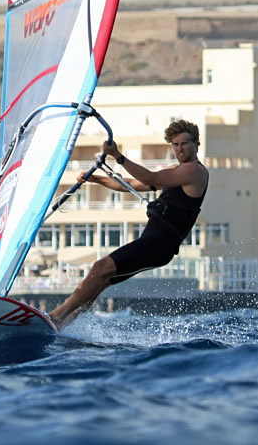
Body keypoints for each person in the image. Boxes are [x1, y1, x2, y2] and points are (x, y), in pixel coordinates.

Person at [48, 119, 209, 331]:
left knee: (100, 267)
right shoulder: (175, 173)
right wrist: (97, 179)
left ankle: (55, 316)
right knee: (101, 280)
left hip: (158, 245)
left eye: (184, 143)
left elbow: (149, 176)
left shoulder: (194, 172)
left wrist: (118, 156)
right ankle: (63, 325)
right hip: (154, 245)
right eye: (175, 144)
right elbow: (132, 184)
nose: (179, 149)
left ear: (196, 143)